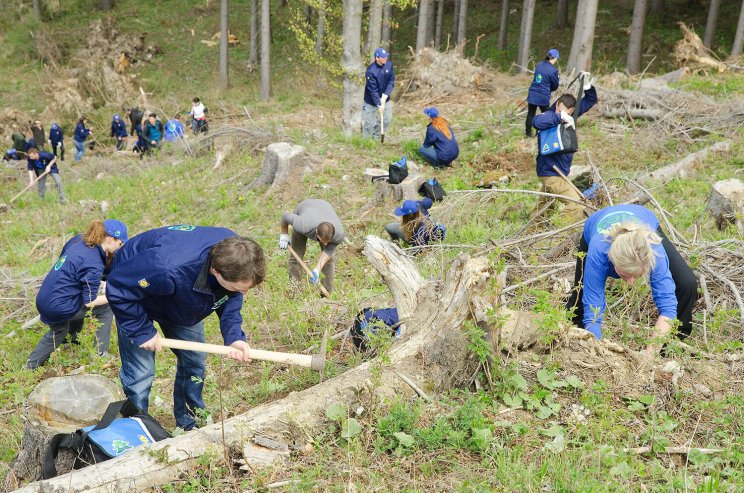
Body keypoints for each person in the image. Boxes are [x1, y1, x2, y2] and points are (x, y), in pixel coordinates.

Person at [106, 227, 265, 430]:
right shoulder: (165, 266)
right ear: (216, 270)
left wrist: (235, 337)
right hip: (133, 294)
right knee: (141, 372)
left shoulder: (238, 254)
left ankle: (190, 418)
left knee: (194, 360)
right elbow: (119, 286)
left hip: (181, 297)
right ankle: (135, 427)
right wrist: (141, 330)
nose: (244, 293)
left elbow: (231, 298)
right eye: (239, 287)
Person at [566, 204, 698, 359]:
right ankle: (576, 342)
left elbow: (668, 308)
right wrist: (600, 353)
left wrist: (649, 356)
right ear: (612, 261)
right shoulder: (599, 251)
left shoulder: (652, 249)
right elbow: (593, 310)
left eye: (636, 275)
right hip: (596, 226)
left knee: (686, 283)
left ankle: (671, 345)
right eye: (626, 274)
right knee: (580, 298)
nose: (630, 282)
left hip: (644, 220)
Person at [26, 219, 129, 369]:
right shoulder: (94, 263)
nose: (120, 247)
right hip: (58, 307)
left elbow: (76, 277)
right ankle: (99, 354)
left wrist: (100, 284)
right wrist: (115, 296)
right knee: (107, 306)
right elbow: (90, 301)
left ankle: (68, 341)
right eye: (120, 244)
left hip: (45, 298)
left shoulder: (81, 243)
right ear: (111, 239)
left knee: (59, 330)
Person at [531, 72, 597, 222]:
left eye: (565, 112)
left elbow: (591, 99)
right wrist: (559, 116)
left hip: (560, 172)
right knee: (575, 203)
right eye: (558, 109)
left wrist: (586, 84)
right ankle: (560, 232)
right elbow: (536, 122)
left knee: (544, 206)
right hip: (550, 172)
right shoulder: (549, 117)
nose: (560, 113)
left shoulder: (572, 115)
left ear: (572, 111)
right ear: (557, 105)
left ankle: (534, 229)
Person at [279, 199, 344, 294]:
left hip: (323, 207)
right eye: (323, 241)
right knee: (296, 258)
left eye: (328, 242)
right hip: (305, 208)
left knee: (329, 260)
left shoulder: (339, 234)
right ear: (316, 232)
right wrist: (283, 235)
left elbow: (328, 252)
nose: (325, 244)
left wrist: (317, 269)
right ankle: (294, 292)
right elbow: (285, 216)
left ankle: (326, 292)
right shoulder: (302, 224)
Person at [525, 48, 560, 138]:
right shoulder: (553, 70)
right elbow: (555, 85)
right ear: (555, 58)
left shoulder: (539, 65)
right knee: (544, 115)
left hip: (533, 93)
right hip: (543, 95)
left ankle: (528, 134)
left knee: (530, 114)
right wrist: (549, 88)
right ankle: (539, 134)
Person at [362, 47, 395, 140]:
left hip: (385, 98)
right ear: (377, 58)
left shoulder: (389, 65)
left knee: (387, 120)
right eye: (383, 57)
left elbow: (391, 81)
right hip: (371, 100)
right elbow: (373, 90)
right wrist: (379, 104)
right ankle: (366, 142)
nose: (385, 58)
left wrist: (384, 97)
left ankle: (376, 137)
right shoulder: (370, 71)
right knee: (368, 123)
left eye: (386, 56)